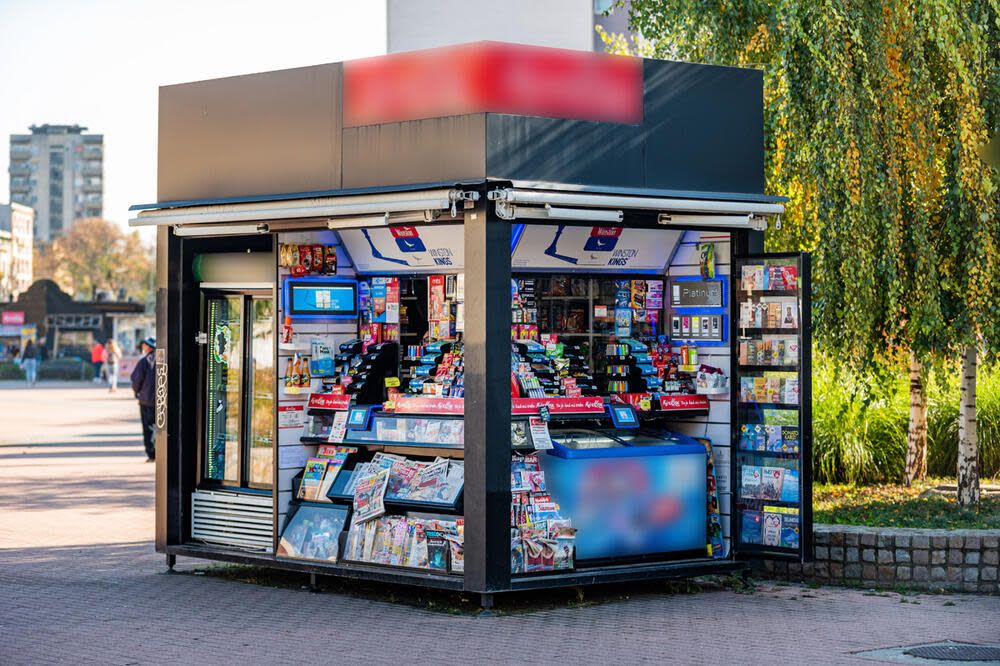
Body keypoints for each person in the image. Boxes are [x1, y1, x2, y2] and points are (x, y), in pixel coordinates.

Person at [130, 337, 157, 461]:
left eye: (144, 345)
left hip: (146, 400)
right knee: (162, 427)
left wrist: (137, 392)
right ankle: (162, 451)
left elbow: (136, 380)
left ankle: (152, 453)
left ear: (148, 347)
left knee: (148, 427)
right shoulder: (164, 359)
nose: (143, 347)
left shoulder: (144, 361)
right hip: (162, 401)